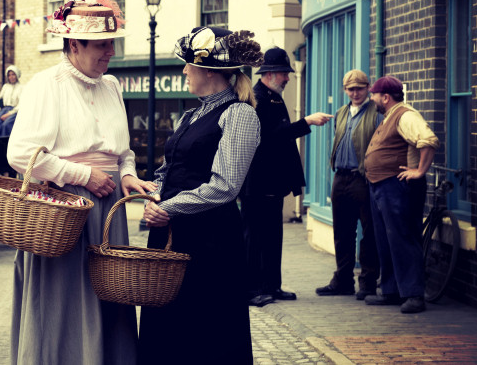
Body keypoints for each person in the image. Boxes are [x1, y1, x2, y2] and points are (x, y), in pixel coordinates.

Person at [6, 0, 154, 365]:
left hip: (108, 212)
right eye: (103, 44)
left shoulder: (113, 86)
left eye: (112, 41)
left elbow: (124, 151)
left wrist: (128, 174)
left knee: (110, 295)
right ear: (74, 45)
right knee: (64, 301)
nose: (111, 51)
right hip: (64, 213)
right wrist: (82, 175)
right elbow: (21, 154)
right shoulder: (46, 84)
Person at [138, 27, 264, 365]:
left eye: (188, 65)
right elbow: (170, 169)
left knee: (205, 328)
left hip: (209, 240)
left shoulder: (239, 113)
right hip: (170, 231)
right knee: (166, 325)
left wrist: (169, 207)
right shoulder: (191, 114)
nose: (183, 71)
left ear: (208, 70)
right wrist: (151, 193)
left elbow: (225, 186)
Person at [241, 47, 332, 307]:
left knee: (272, 238)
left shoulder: (274, 97)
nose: (288, 78)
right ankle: (252, 289)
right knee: (255, 238)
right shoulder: (257, 98)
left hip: (272, 184)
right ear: (270, 74)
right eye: (284, 74)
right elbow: (269, 137)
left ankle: (272, 286)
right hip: (258, 185)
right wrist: (306, 122)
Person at [363, 76, 439, 314]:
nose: (371, 98)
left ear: (385, 97)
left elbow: (428, 139)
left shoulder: (405, 115)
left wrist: (420, 171)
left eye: (374, 94)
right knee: (386, 240)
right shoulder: (389, 116)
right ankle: (392, 291)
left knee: (403, 238)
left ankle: (414, 295)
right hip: (381, 186)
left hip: (396, 187)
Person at [316, 70, 382, 300]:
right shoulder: (341, 112)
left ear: (367, 88)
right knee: (342, 232)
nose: (355, 93)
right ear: (345, 90)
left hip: (363, 179)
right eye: (351, 89)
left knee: (369, 232)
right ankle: (343, 280)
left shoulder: (377, 112)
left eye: (359, 88)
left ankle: (368, 282)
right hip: (340, 178)